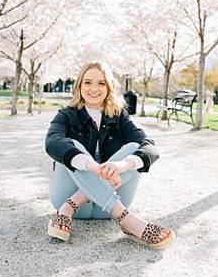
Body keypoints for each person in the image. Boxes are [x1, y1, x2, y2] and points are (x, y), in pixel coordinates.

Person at [45, 61, 174, 249]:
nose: (94, 89)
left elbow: (150, 148)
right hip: (79, 199)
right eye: (87, 82)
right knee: (70, 145)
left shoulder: (119, 116)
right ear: (79, 86)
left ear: (109, 87)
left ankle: (71, 205)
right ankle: (125, 218)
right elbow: (52, 142)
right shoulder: (66, 115)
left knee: (133, 146)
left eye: (101, 83)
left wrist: (120, 166)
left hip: (104, 205)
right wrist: (92, 167)